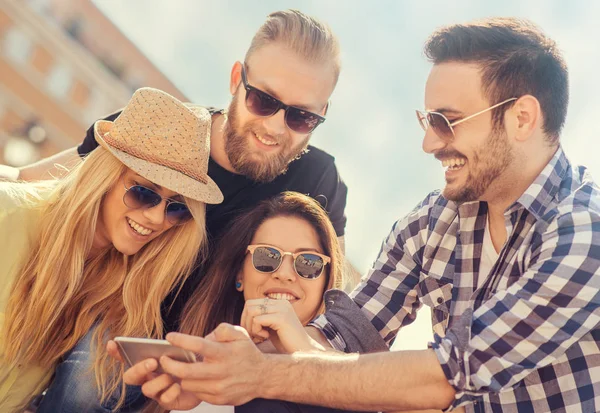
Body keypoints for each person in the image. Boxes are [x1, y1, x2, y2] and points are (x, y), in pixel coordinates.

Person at [128, 17, 600, 413]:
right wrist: (212, 371)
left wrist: (258, 375)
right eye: (428, 121)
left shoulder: (585, 231)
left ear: (521, 118)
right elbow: (343, 339)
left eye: (447, 121)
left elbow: (450, 376)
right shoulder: (435, 222)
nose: (430, 143)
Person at [14, 9, 354, 413]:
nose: (276, 127)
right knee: (88, 385)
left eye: (302, 116)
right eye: (263, 100)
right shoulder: (167, 131)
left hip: (217, 367)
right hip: (114, 331)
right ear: (235, 80)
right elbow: (38, 185)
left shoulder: (319, 180)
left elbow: (329, 303)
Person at [0, 87, 223, 412]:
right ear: (104, 175)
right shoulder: (9, 217)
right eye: (144, 193)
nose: (157, 218)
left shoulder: (114, 294)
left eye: (177, 208)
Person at [111, 191, 349, 413]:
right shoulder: (204, 369)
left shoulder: (358, 367)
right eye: (266, 255)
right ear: (240, 276)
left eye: (308, 262)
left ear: (326, 281)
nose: (285, 273)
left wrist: (302, 349)